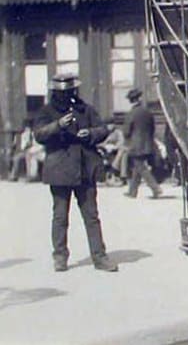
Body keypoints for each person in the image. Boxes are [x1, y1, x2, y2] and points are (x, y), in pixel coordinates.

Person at [33, 73, 118, 272]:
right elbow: (39, 134)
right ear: (55, 93)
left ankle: (99, 257)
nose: (66, 96)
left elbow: (103, 129)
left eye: (69, 92)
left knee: (91, 215)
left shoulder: (85, 109)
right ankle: (60, 257)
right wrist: (58, 125)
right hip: (60, 170)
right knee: (60, 216)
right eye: (62, 93)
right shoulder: (46, 112)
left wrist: (91, 133)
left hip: (85, 169)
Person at [124, 88, 162, 199]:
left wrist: (127, 141)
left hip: (136, 146)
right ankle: (132, 192)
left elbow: (126, 131)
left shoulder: (131, 114)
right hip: (148, 144)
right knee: (138, 167)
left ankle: (156, 188)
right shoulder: (147, 112)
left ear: (131, 101)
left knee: (141, 167)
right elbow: (152, 128)